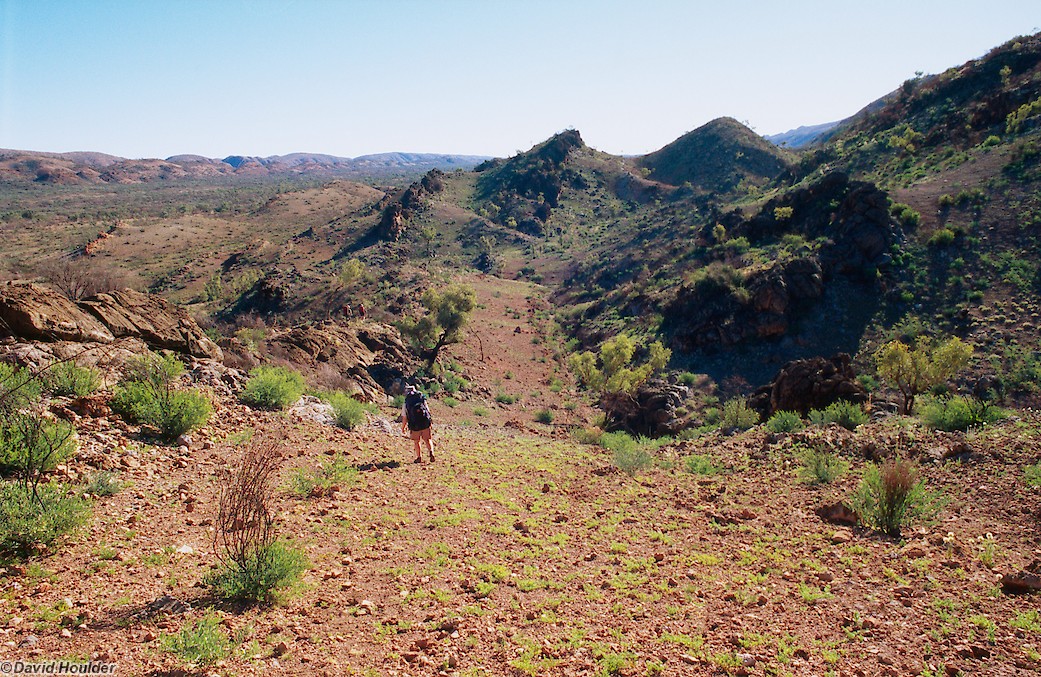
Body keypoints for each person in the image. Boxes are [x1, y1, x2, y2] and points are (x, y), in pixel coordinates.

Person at [401, 384, 434, 463]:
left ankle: (419, 457)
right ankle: (431, 452)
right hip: (424, 422)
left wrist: (403, 427)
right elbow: (427, 410)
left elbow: (405, 417)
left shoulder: (406, 403)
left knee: (416, 441)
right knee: (428, 439)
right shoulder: (421, 399)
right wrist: (430, 421)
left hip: (414, 424)